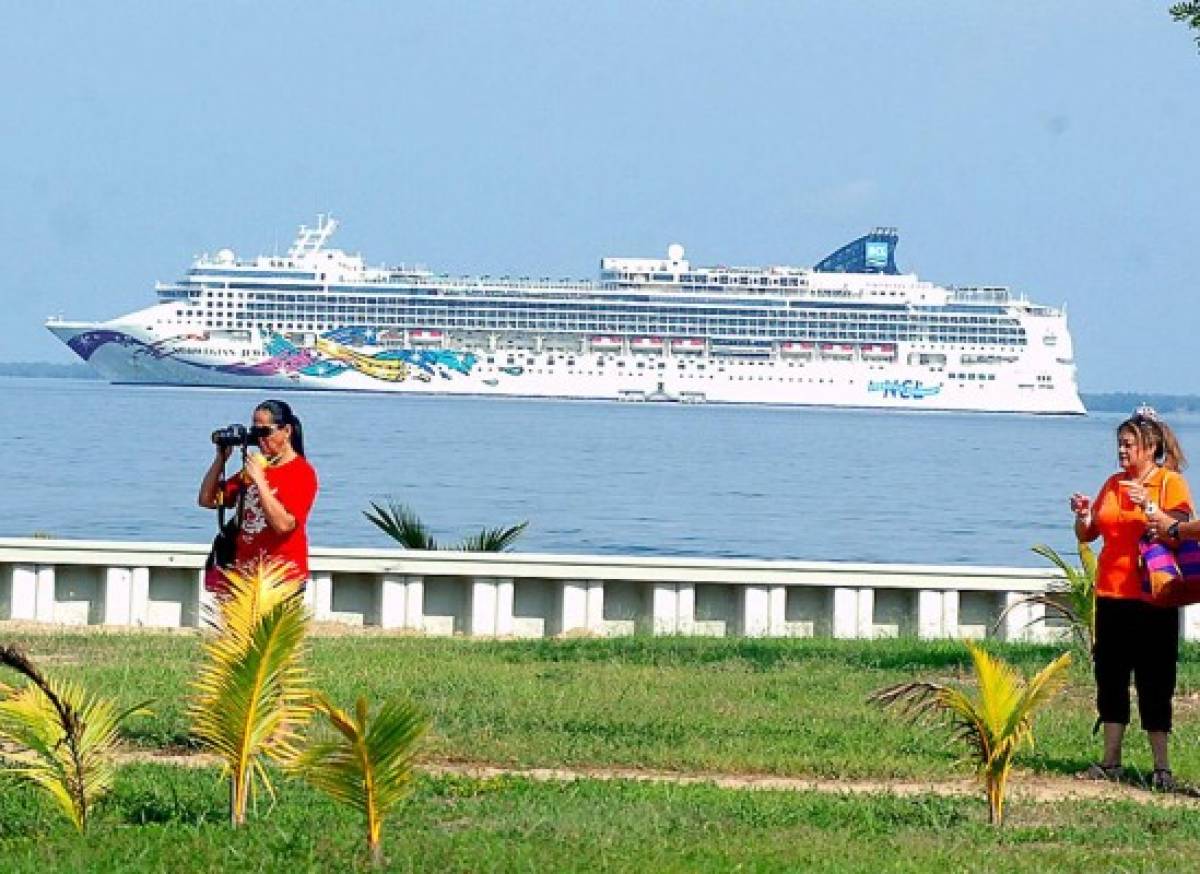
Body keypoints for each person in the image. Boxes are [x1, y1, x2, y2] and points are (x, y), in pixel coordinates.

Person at [1070, 406, 1191, 791]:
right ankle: (1111, 761)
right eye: (1119, 445)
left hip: (1152, 595)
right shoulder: (1113, 482)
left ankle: (1161, 767)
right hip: (1111, 593)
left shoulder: (1169, 483)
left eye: (1128, 445)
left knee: (1156, 679)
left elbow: (1179, 532)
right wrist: (1084, 515)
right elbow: (1089, 535)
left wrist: (1148, 506)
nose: (1121, 452)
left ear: (1150, 446)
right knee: (1110, 676)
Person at [199, 399, 319, 587]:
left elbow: (284, 525)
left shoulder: (301, 473)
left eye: (266, 432)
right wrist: (220, 459)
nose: (261, 439)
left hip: (280, 576)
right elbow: (207, 499)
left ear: (286, 431)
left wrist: (260, 482)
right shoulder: (256, 468)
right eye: (256, 433)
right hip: (244, 572)